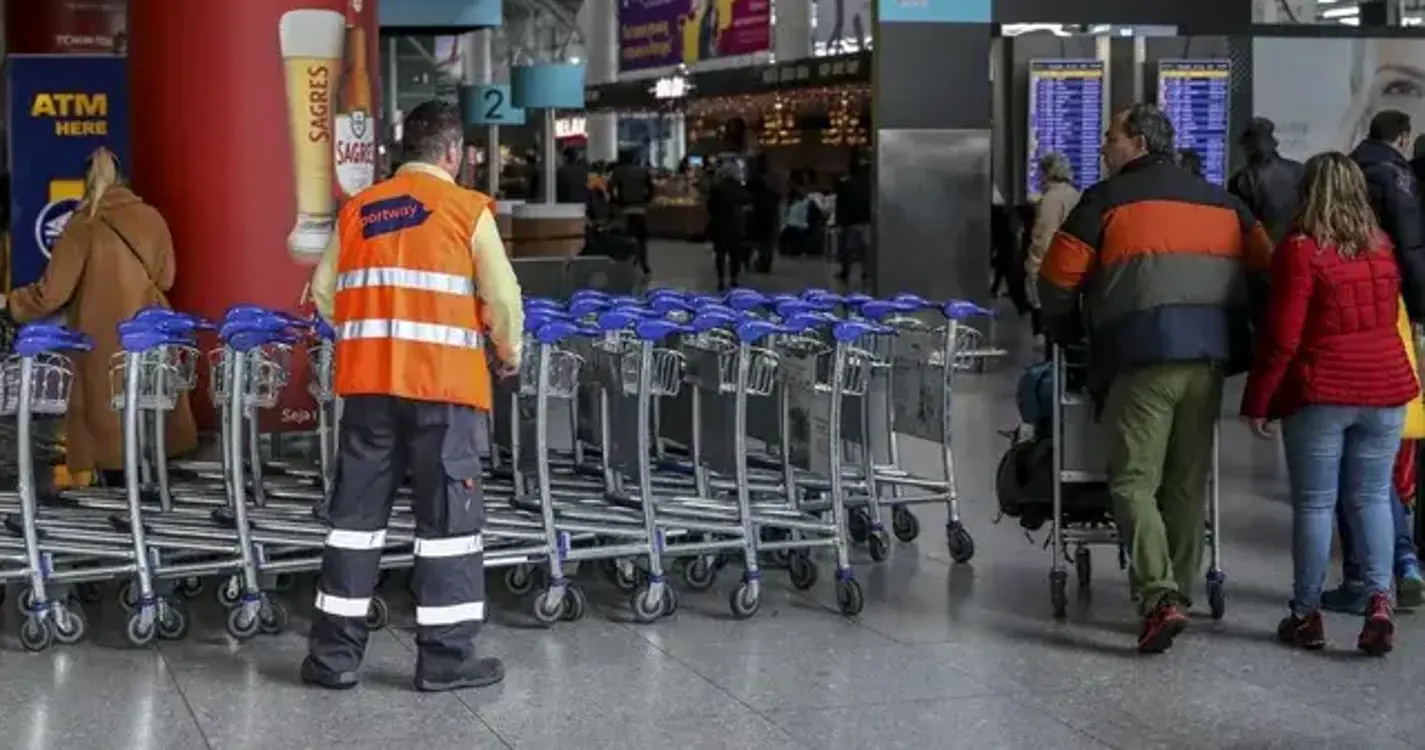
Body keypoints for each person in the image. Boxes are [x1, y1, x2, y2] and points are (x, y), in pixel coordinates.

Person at [301, 100, 523, 693]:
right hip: (444, 392)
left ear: (405, 153)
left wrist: (370, 325)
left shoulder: (359, 211)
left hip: (369, 388)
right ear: (453, 154)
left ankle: (334, 658)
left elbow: (323, 293)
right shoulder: (466, 210)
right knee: (448, 522)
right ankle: (446, 658)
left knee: (354, 522)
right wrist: (509, 352)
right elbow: (502, 300)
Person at [1038, 103, 1274, 654]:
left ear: (1138, 142)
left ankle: (1157, 593)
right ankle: (1181, 594)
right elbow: (1267, 270)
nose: (1102, 147)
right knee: (1187, 484)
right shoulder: (1226, 204)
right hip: (1210, 361)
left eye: (1110, 137)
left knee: (1132, 480)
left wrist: (1070, 329)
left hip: (1141, 357)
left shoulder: (1105, 201)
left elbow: (1055, 282)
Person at [1240, 152, 1417, 655]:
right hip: (1385, 389)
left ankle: (1305, 613)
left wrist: (1259, 401)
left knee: (1316, 504)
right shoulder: (1380, 245)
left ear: (1308, 191)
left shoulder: (1301, 250)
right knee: (1372, 497)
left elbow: (1282, 338)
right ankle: (1379, 603)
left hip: (1323, 390)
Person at [3, 147, 197, 485]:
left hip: (103, 339)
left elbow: (52, 293)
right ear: (125, 179)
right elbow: (166, 278)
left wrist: (12, 304)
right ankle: (151, 492)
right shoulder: (151, 217)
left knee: (110, 427)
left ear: (86, 182)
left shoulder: (84, 223)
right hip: (150, 333)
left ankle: (120, 501)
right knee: (148, 411)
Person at [1326, 109, 1425, 614]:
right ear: (1403, 138)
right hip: (1396, 335)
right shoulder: (1396, 179)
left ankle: (1356, 580)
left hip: (1336, 364)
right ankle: (1401, 565)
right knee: (1385, 467)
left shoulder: (1315, 239)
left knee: (1338, 483)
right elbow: (1411, 249)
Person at [1024, 152, 1080, 343]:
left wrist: (1033, 267)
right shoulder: (1075, 195)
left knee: (1045, 333)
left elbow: (1043, 238)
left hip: (1051, 271)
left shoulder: (1050, 199)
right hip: (1071, 269)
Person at [1229, 117, 1305, 245]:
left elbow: (1240, 226)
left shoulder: (1241, 180)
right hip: (1297, 248)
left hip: (1263, 252)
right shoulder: (1299, 170)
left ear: (1247, 147)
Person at [705, 161, 750, 290]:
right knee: (735, 254)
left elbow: (710, 206)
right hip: (736, 225)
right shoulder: (739, 188)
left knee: (720, 253)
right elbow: (747, 201)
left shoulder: (717, 188)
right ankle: (734, 278)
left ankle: (721, 279)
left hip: (720, 224)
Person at [610, 150, 654, 275]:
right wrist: (646, 200)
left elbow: (610, 189)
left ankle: (628, 264)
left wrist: (617, 202)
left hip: (626, 209)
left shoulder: (618, 171)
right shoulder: (643, 171)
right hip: (640, 209)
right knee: (642, 239)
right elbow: (651, 189)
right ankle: (644, 264)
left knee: (628, 239)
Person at [834, 155, 872, 288]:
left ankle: (846, 272)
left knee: (848, 249)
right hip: (866, 219)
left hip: (850, 221)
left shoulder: (845, 183)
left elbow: (841, 204)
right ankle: (867, 274)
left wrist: (839, 221)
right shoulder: (870, 183)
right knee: (866, 249)